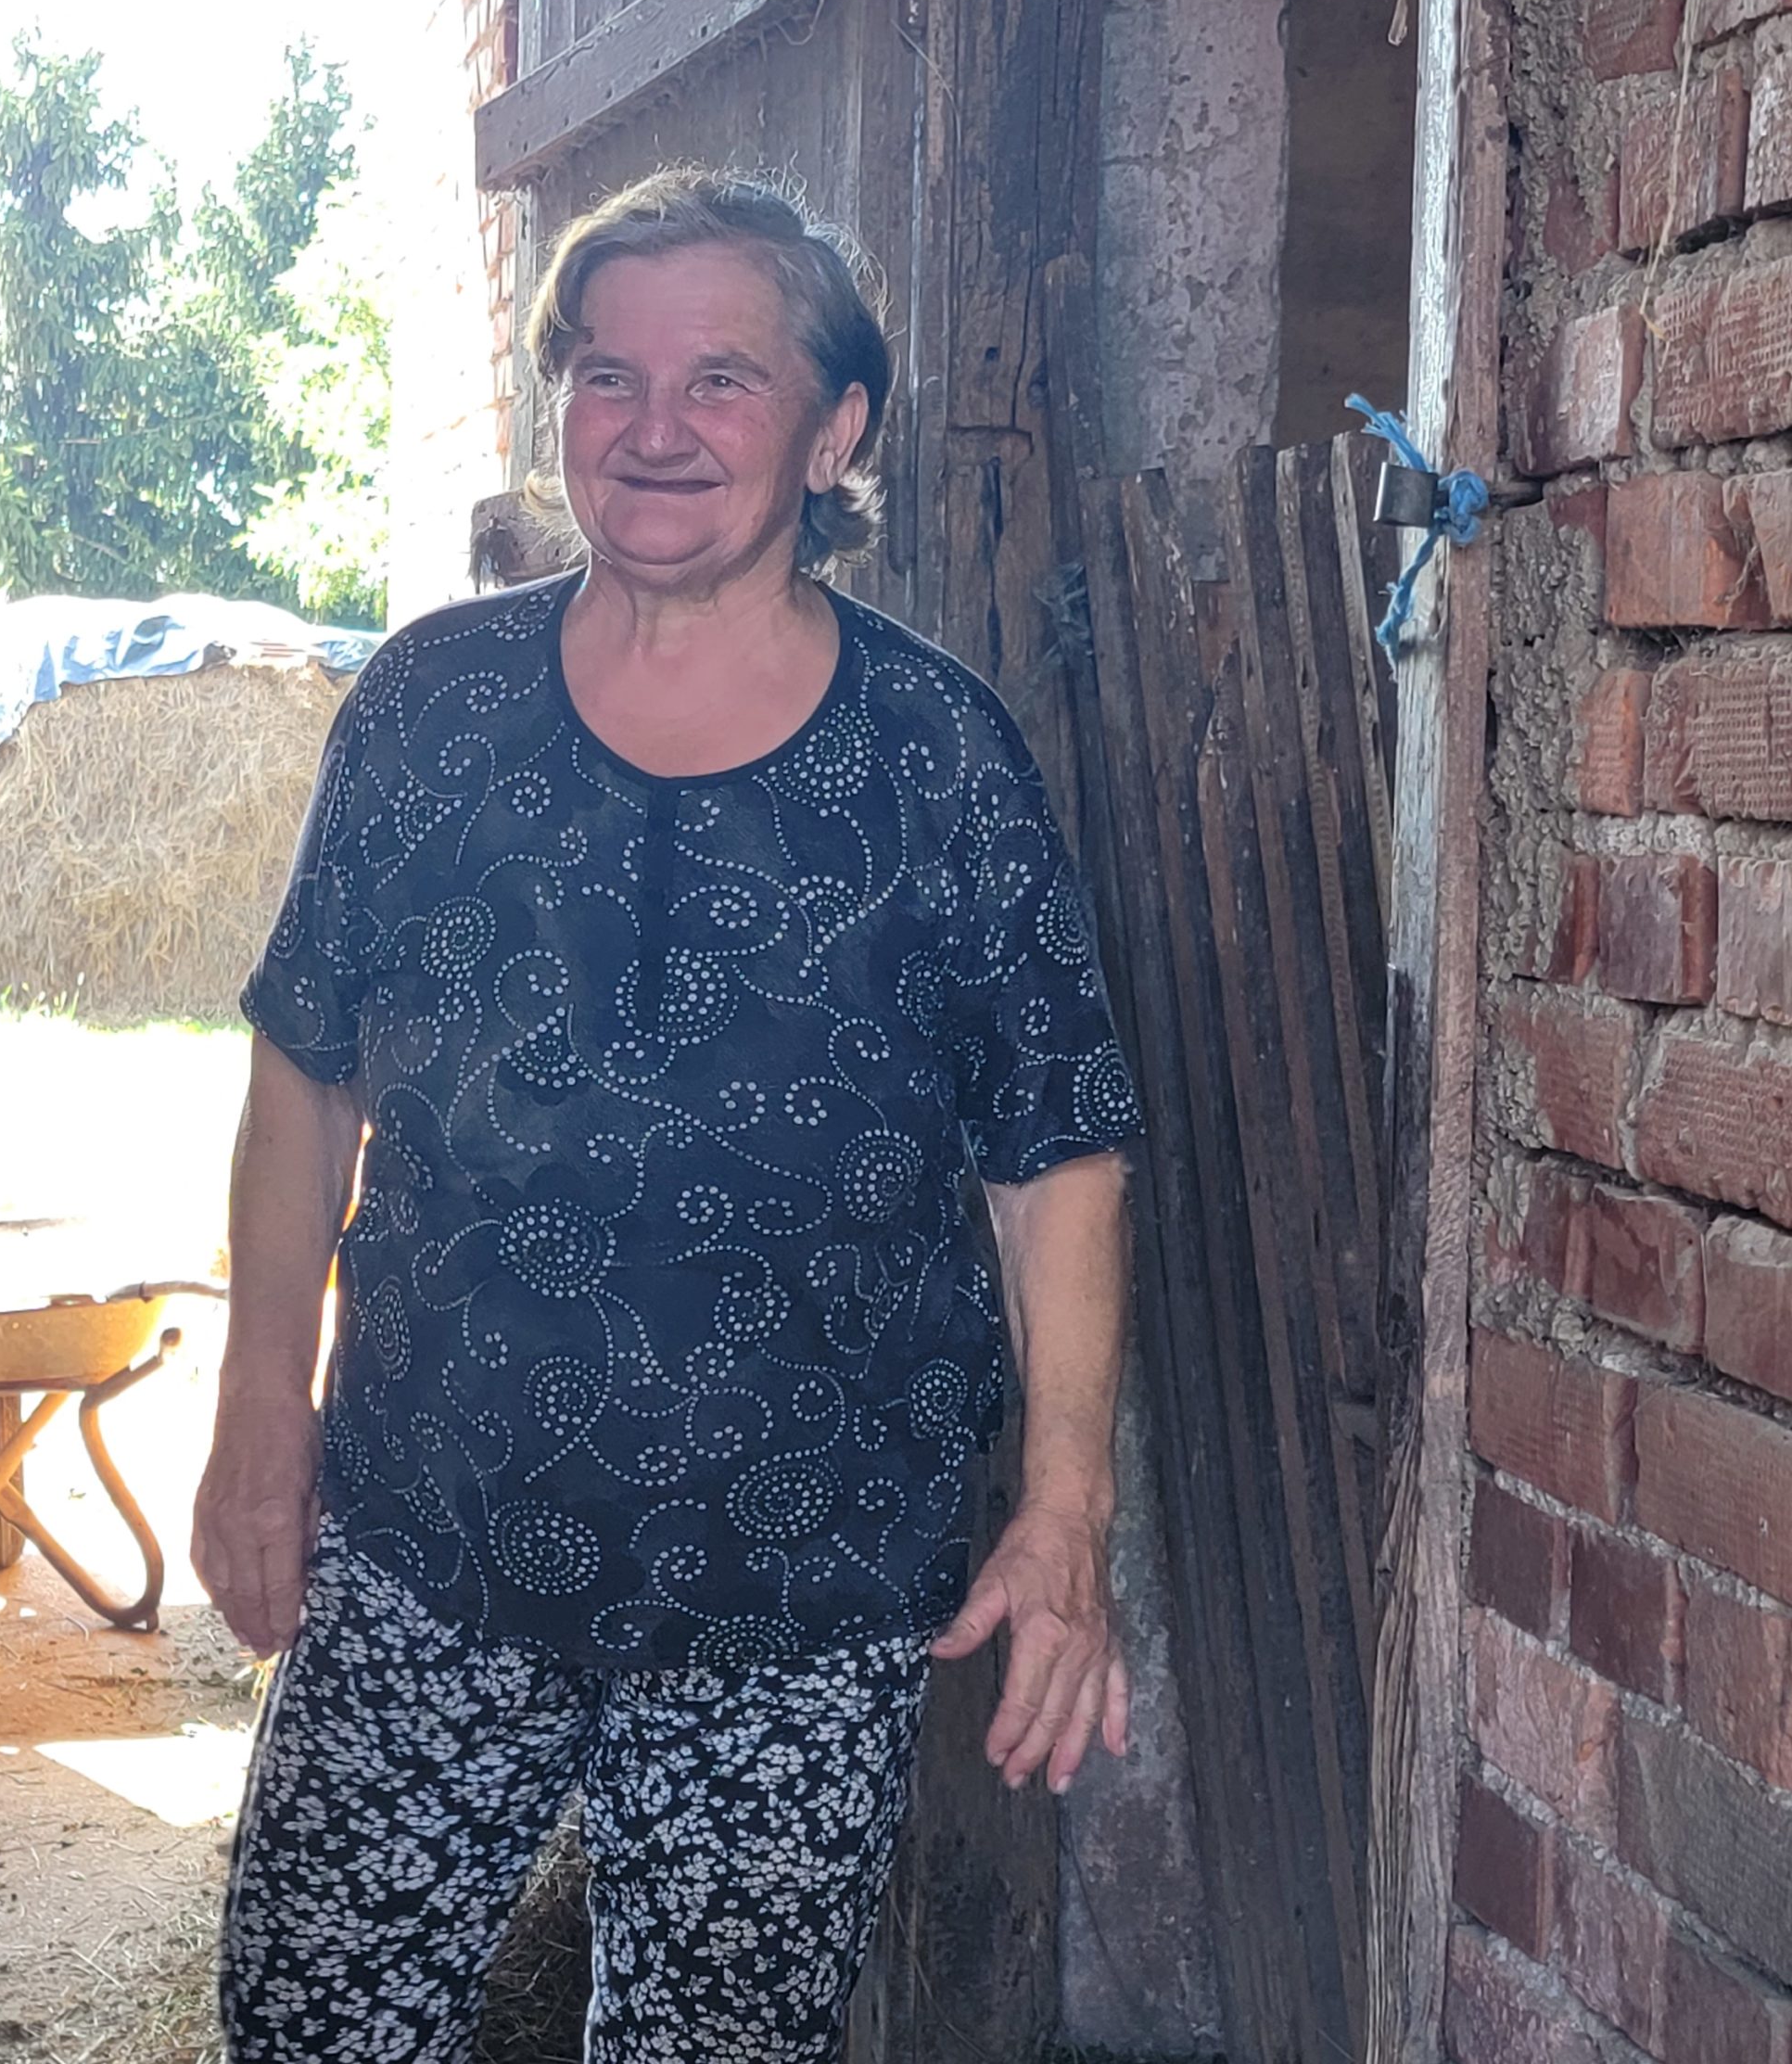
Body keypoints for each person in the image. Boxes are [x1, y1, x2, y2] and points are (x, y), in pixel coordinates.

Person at [195, 168, 1141, 2063]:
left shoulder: (937, 759)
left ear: (834, 429)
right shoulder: (430, 706)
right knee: (308, 2019)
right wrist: (256, 1418)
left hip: (801, 1589)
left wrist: (1065, 1512)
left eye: (720, 379)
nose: (652, 428)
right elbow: (303, 1073)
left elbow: (1057, 1154)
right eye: (606, 375)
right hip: (428, 1533)